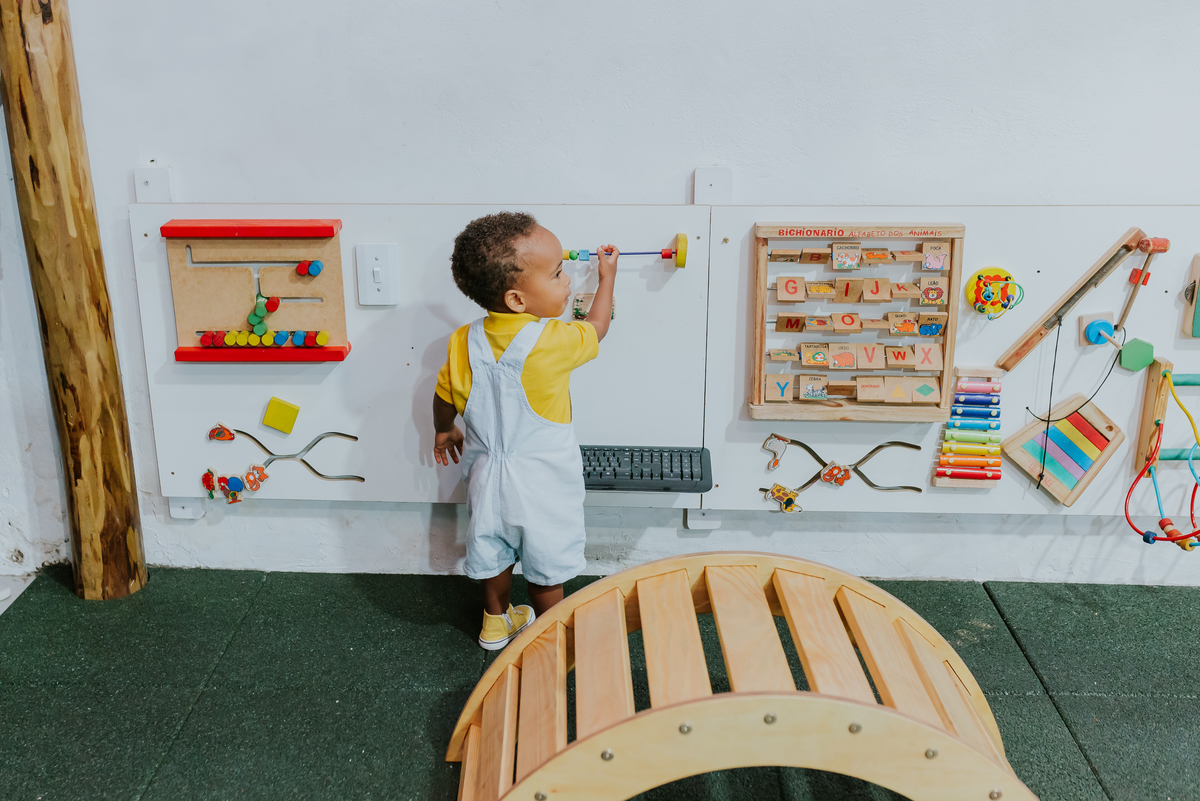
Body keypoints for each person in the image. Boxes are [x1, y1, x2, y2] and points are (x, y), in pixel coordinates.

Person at [433, 211, 617, 650]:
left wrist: (444, 432)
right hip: (542, 482)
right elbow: (598, 327)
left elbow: (443, 396)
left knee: (492, 547)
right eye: (557, 274)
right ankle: (555, 638)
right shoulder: (555, 339)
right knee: (545, 567)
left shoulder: (462, 340)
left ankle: (495, 622)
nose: (568, 280)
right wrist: (607, 278)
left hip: (486, 476)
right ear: (517, 300)